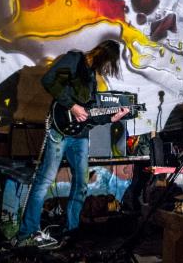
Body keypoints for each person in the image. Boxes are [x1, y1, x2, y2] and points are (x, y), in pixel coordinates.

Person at [14, 40, 129, 248]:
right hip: (59, 130)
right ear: (102, 55)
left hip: (80, 135)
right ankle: (27, 233)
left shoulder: (91, 76)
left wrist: (110, 118)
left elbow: (89, 114)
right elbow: (49, 80)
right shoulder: (74, 59)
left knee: (81, 183)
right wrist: (72, 106)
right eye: (107, 64)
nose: (105, 69)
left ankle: (71, 230)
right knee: (44, 180)